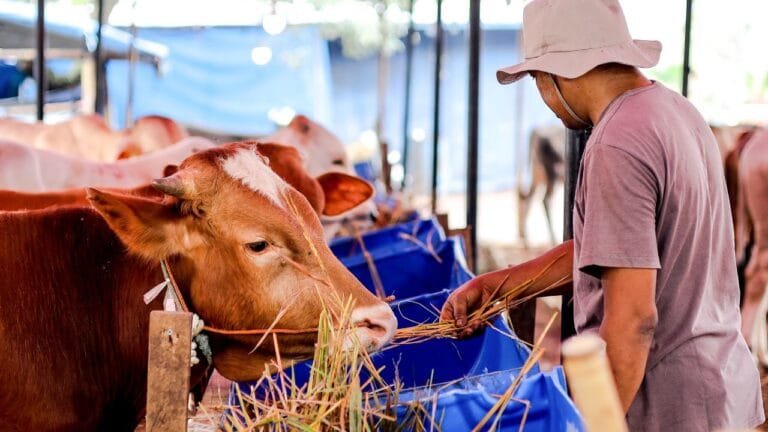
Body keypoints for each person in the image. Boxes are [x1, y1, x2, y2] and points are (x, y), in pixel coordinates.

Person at [439, 0, 764, 430]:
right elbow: (620, 250)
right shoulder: (676, 111)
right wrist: (500, 284)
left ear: (559, 71)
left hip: (666, 408)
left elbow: (633, 320)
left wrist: (594, 422)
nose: (542, 96)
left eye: (536, 77)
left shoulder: (617, 143)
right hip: (723, 389)